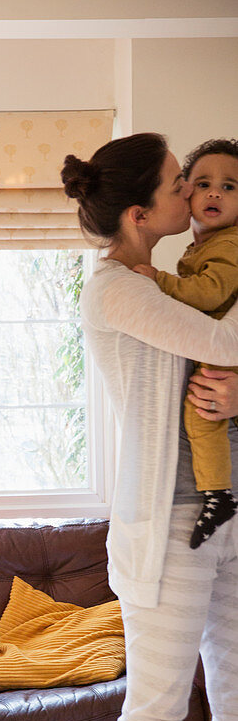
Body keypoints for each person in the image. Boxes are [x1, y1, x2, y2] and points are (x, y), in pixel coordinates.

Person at [60, 132, 238, 721]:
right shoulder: (117, 292)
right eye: (177, 183)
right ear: (139, 214)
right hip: (164, 521)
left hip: (226, 506)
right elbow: (222, 350)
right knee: (157, 708)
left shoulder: (192, 281)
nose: (189, 194)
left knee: (235, 697)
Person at [133, 138, 238, 548]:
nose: (215, 192)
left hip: (224, 363)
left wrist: (160, 281)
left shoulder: (230, 244)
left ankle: (217, 496)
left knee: (201, 412)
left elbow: (210, 294)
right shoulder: (208, 245)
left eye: (231, 186)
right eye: (202, 183)